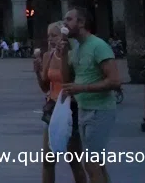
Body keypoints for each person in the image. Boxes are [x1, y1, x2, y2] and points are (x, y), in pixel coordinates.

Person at [61, 7, 120, 183]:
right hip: (84, 109)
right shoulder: (77, 48)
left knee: (91, 164)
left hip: (100, 110)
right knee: (98, 165)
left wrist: (82, 88)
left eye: (69, 19)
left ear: (81, 23)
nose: (65, 23)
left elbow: (115, 81)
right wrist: (63, 54)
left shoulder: (98, 46)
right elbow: (66, 80)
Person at [35, 21, 86, 183]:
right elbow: (44, 87)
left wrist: (63, 56)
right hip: (52, 108)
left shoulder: (73, 56)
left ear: (64, 37)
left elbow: (67, 81)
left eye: (54, 35)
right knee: (47, 160)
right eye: (48, 36)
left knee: (74, 160)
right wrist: (37, 71)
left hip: (70, 108)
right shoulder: (47, 56)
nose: (50, 39)